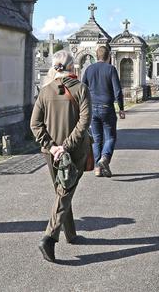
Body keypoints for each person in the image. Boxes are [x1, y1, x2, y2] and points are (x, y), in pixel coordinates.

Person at [30, 50, 91, 262]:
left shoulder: (45, 91)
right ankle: (49, 237)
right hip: (74, 151)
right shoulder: (81, 89)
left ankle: (71, 233)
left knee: (63, 189)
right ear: (73, 67)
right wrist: (65, 146)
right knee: (65, 191)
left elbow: (35, 124)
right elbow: (84, 123)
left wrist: (52, 146)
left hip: (51, 154)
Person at [81, 45, 125, 177]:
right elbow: (117, 90)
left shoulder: (89, 69)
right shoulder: (111, 69)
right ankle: (104, 158)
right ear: (109, 56)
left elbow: (83, 89)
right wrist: (121, 108)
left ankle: (97, 169)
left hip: (92, 108)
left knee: (97, 138)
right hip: (107, 107)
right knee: (110, 137)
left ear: (96, 55)